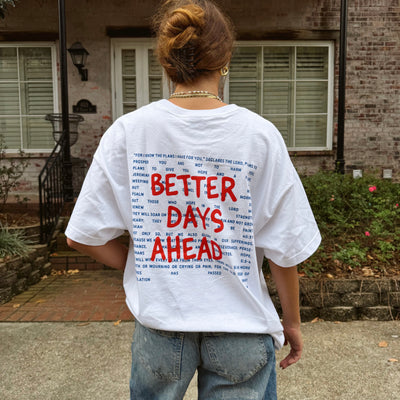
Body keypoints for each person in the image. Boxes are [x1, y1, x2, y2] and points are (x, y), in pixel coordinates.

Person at [65, 0, 321, 398]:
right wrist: (292, 322)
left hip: (161, 328)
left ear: (166, 62)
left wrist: (141, 261)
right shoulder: (259, 135)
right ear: (225, 59)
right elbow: (285, 249)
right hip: (241, 328)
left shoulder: (128, 132)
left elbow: (82, 236)